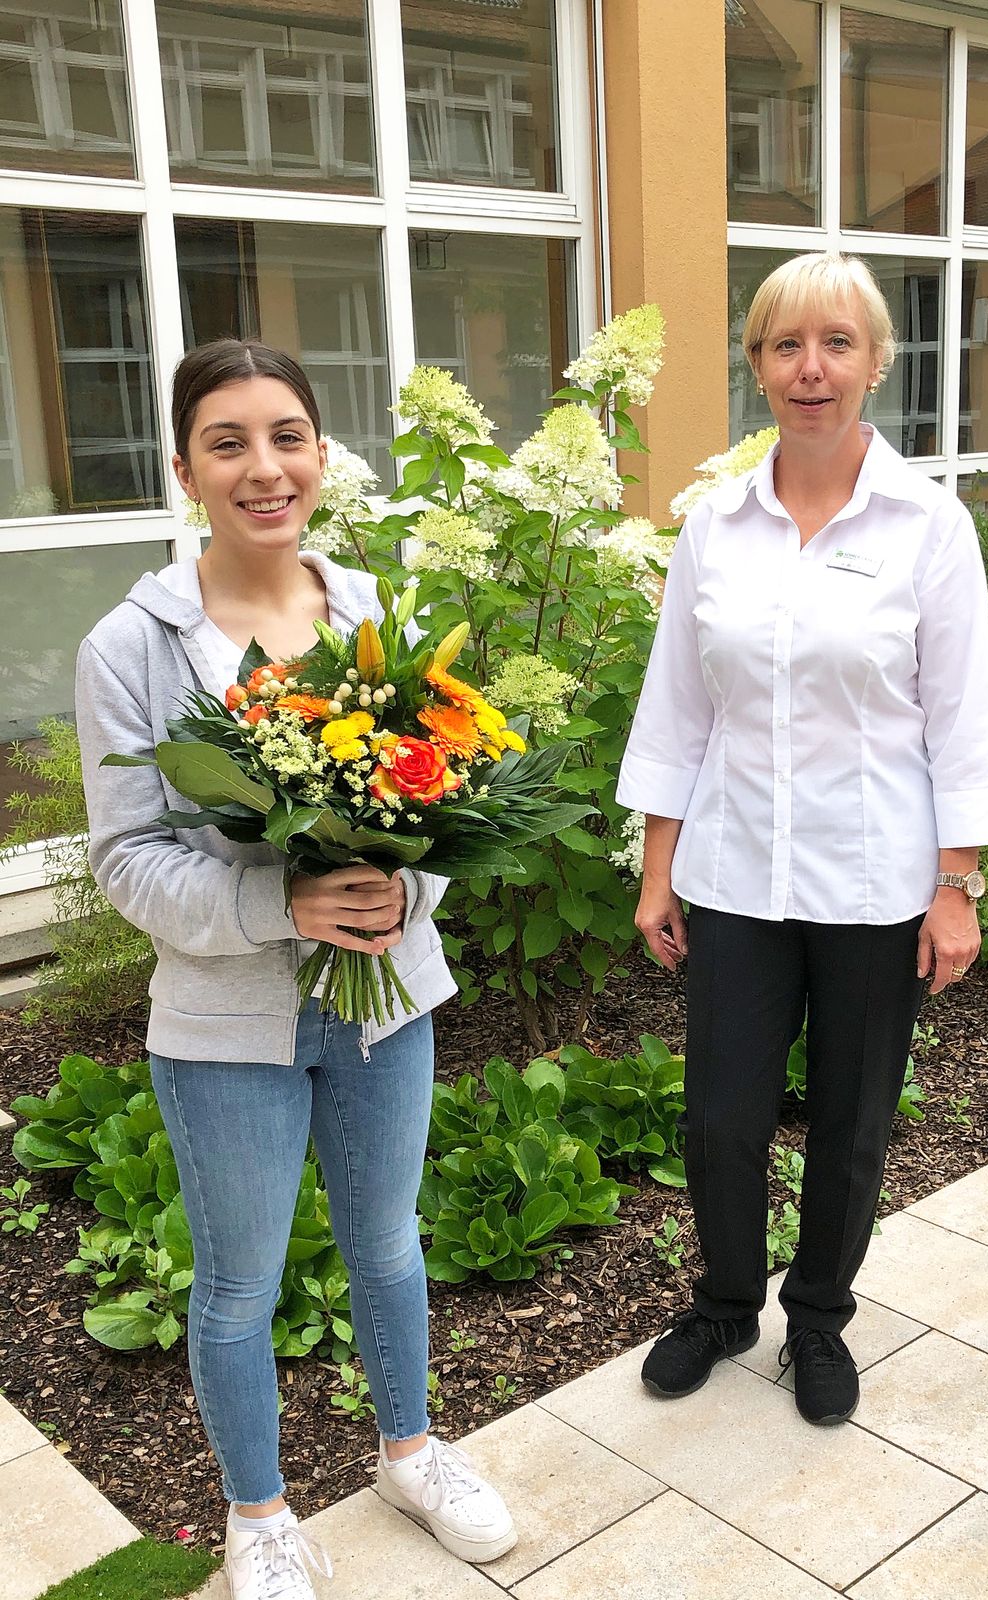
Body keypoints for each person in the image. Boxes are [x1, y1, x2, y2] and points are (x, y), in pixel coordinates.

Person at [74, 339, 517, 1599]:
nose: (263, 467)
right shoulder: (135, 646)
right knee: (238, 1285)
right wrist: (289, 900)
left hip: (386, 1005)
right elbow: (129, 863)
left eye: (286, 436)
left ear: (321, 455)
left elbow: (448, 796)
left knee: (388, 1244)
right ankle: (258, 1516)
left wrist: (399, 883)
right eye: (228, 441)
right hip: (225, 1027)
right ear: (185, 470)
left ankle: (409, 1453)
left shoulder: (376, 611)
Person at [616, 252, 988, 1426]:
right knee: (721, 1116)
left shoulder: (927, 526)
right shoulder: (717, 527)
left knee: (852, 1120)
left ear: (877, 363)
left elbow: (963, 714)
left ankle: (821, 1318)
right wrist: (657, 865)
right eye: (787, 345)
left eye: (837, 343)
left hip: (874, 879)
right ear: (756, 365)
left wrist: (957, 885)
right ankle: (728, 1298)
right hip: (737, 872)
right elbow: (677, 707)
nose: (812, 369)